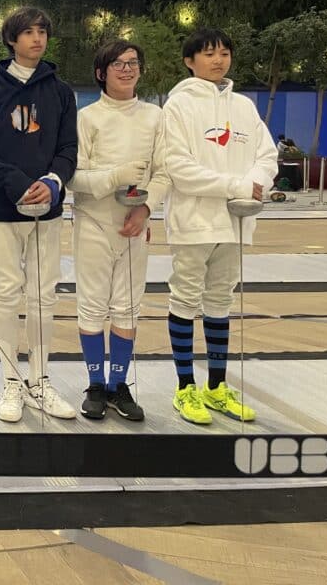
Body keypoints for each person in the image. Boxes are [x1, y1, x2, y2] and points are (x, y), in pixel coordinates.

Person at [0, 6, 78, 422]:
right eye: (28, 32)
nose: (37, 38)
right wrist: (15, 182)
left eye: (42, 31)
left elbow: (69, 148)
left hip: (46, 211)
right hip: (0, 209)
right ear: (12, 39)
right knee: (6, 292)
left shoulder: (61, 92)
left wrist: (53, 181)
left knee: (43, 295)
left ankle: (40, 380)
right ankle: (11, 382)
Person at [161, 28, 277, 425]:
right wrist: (238, 186)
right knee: (185, 299)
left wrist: (255, 185)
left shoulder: (244, 106)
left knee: (220, 301)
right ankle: (184, 388)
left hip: (236, 220)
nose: (218, 60)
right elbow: (178, 168)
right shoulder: (178, 106)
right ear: (189, 60)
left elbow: (267, 156)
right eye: (209, 53)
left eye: (224, 53)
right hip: (193, 221)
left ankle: (216, 386)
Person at [69, 41, 170, 422]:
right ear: (101, 72)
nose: (127, 69)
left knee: (127, 307)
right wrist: (115, 176)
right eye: (118, 63)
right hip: (94, 222)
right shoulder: (87, 118)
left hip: (134, 225)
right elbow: (74, 177)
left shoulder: (155, 116)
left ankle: (117, 385)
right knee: (92, 305)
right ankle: (95, 384)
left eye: (133, 62)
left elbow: (164, 172)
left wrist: (145, 209)